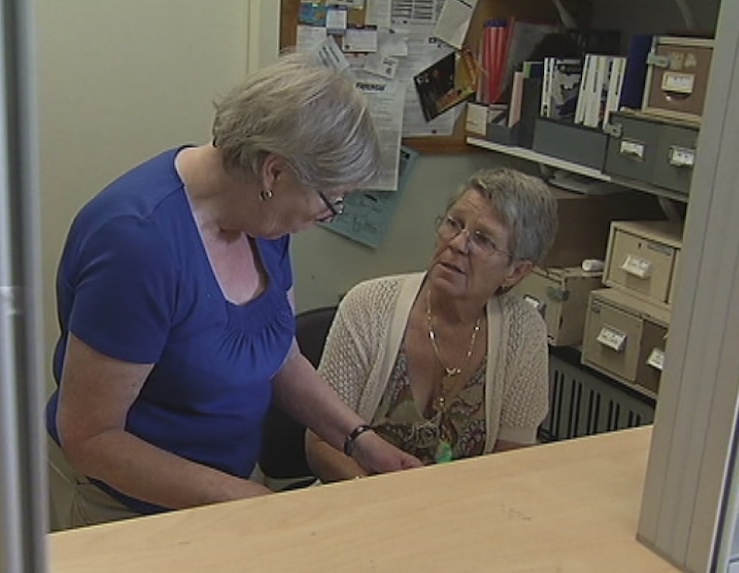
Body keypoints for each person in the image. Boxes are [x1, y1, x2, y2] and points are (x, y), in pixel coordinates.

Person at [45, 53, 423, 529]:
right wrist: (249, 501)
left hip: (229, 490)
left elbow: (279, 357)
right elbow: (91, 437)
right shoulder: (137, 243)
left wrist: (362, 441)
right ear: (274, 172)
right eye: (332, 200)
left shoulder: (262, 220)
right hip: (124, 510)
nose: (328, 215)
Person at [305, 168, 558, 481]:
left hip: (463, 514)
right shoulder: (368, 306)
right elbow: (320, 442)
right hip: (359, 505)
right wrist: (383, 505)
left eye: (482, 239)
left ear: (516, 272)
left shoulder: (523, 331)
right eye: (454, 223)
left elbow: (512, 462)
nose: (457, 243)